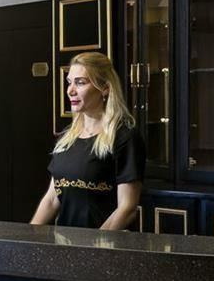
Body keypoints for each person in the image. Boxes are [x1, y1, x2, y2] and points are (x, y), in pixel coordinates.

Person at [30, 51, 144, 231]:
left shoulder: (124, 137)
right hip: (66, 243)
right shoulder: (67, 139)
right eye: (69, 82)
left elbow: (127, 208)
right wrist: (30, 237)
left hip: (106, 244)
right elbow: (52, 199)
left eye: (80, 82)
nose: (70, 90)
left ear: (105, 88)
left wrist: (95, 244)